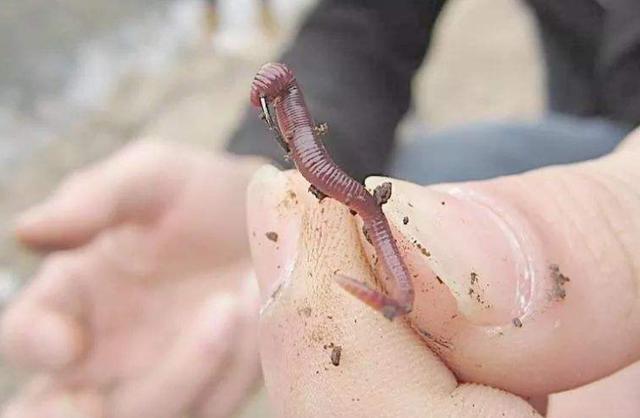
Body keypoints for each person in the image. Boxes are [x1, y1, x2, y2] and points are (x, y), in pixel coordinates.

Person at [2, 0, 640, 417]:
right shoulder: (289, 112)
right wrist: (253, 174)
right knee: (411, 184)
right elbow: (366, 19)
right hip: (592, 103)